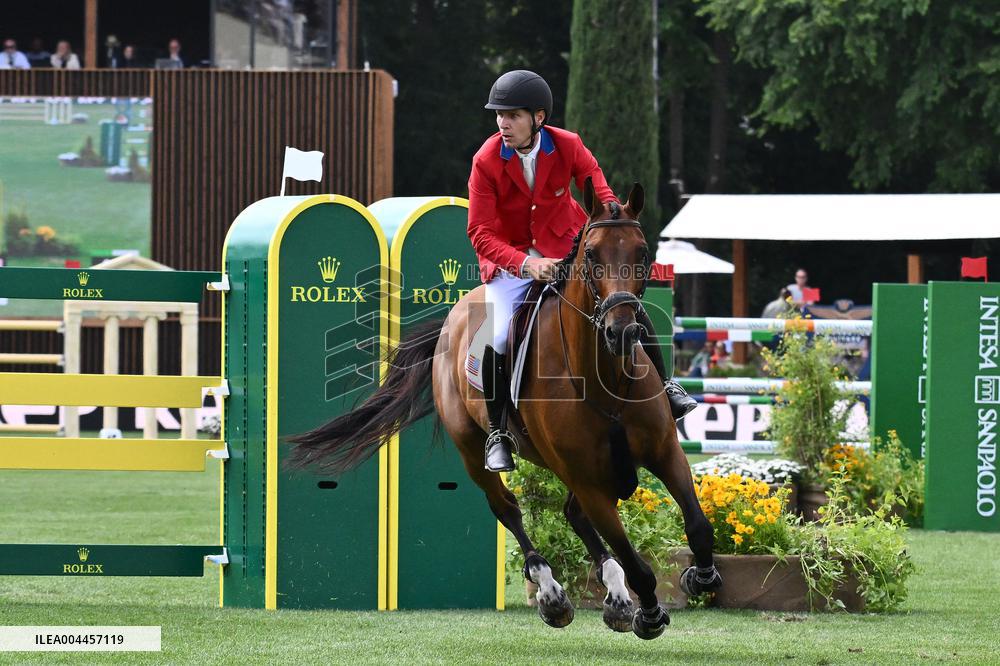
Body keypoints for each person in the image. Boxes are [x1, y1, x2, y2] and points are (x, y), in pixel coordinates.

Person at [467, 69, 697, 472]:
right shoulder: (486, 160)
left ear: (538, 117)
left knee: (626, 306)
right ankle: (498, 431)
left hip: (569, 251)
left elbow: (602, 192)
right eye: (499, 115)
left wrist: (615, 218)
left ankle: (666, 386)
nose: (503, 123)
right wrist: (526, 263)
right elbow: (480, 232)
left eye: (513, 115)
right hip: (512, 261)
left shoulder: (568, 144)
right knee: (498, 335)